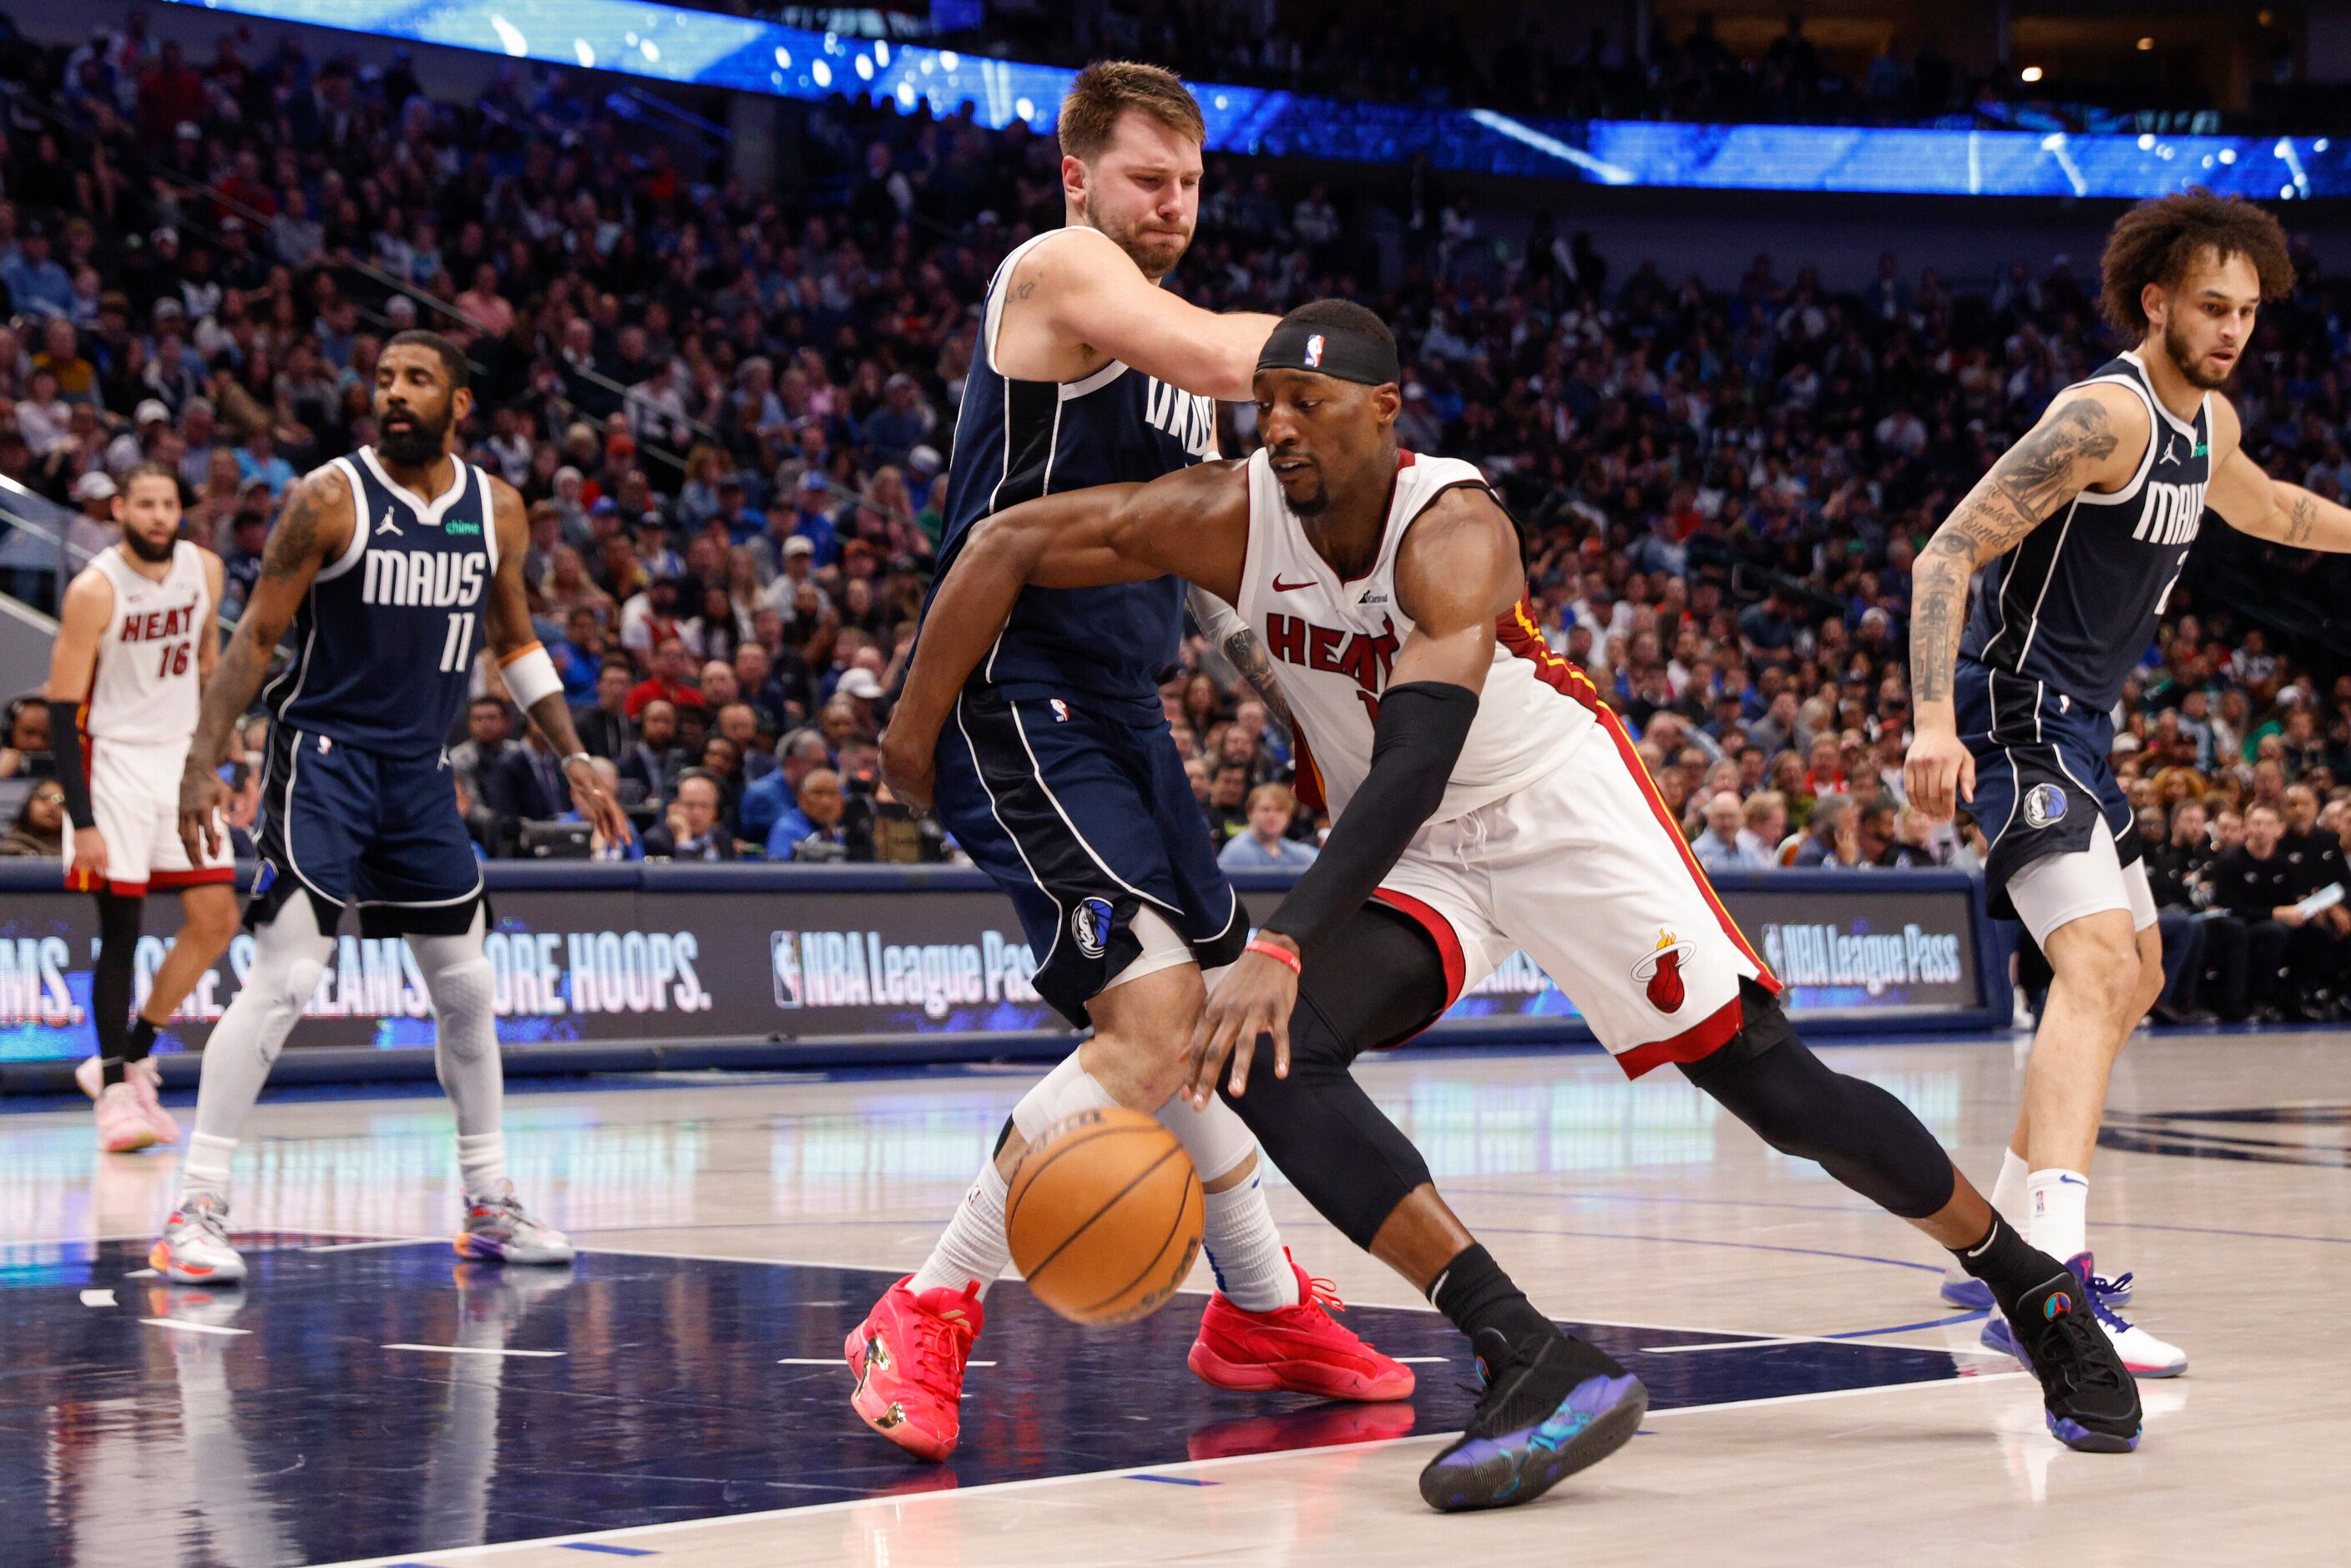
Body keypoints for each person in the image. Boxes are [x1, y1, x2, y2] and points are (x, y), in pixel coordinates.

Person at [886, 299, 2141, 1509]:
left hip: (1554, 806)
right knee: (1269, 1054)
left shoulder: (1457, 526)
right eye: (1265, 404)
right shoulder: (1228, 515)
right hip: (1419, 848)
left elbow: (1422, 751)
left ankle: (2029, 1284)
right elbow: (1004, 540)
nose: (1278, 428)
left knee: (1771, 1086)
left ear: (1384, 411)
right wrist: (911, 727)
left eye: (1308, 404)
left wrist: (1280, 936)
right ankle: (1526, 1348)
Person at [843, 63, 1403, 1469]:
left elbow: (1210, 578)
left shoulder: (1177, 384)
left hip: (1117, 707)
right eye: (1151, 179)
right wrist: (1348, 359)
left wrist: (1302, 703)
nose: (1174, 205)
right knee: (1152, 1024)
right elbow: (1228, 350)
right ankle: (927, 1299)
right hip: (1014, 692)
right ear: (1077, 176)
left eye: (1194, 184)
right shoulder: (1062, 270)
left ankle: (1261, 1309)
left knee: (1213, 1018)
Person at [1905, 191, 2350, 1375]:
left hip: (2086, 733)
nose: (2234, 328)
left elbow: (2272, 510)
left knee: (2140, 970)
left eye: (2250, 310)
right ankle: (2051, 1287)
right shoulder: (2103, 414)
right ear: (2156, 300)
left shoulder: (2210, 427)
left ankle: (2000, 1249)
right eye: (2213, 306)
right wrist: (1930, 721)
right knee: (2096, 965)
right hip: (2020, 719)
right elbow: (1947, 547)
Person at [154, 331, 632, 1286]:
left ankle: (488, 1202)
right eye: (383, 380)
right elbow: (254, 639)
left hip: (418, 772)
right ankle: (195, 1209)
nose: (394, 394)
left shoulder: (495, 508)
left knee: (467, 988)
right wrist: (202, 761)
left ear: (460, 402)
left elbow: (515, 643)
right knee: (287, 979)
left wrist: (572, 753)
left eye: (417, 380)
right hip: (324, 760)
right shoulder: (329, 498)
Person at [47, 463, 240, 1152]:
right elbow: (61, 709)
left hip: (182, 762)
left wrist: (227, 758)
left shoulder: (205, 571)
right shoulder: (94, 589)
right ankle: (117, 1092)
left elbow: (212, 668)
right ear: (121, 510)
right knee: (121, 929)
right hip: (115, 762)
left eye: (169, 505)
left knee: (216, 918)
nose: (159, 517)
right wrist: (85, 819)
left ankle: (134, 1052)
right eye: (145, 505)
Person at [1216, 782, 1319, 868]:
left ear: (1289, 816)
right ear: (1250, 813)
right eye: (1265, 809)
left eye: (1280, 810)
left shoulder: (1299, 854)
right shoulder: (1236, 853)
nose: (1272, 816)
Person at [641, 769, 733, 861]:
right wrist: (683, 840)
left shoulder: (722, 838)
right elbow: (686, 875)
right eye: (690, 805)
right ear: (674, 807)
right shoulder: (658, 841)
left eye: (704, 806)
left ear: (715, 811)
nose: (697, 813)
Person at [1691, 789, 1769, 873]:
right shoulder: (1695, 853)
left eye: (1732, 816)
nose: (1727, 823)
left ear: (1741, 818)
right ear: (1709, 817)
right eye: (1721, 816)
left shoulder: (1749, 852)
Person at [0, 778, 67, 856]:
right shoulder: (10, 851)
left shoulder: (75, 853)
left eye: (61, 802)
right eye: (43, 798)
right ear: (28, 805)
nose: (52, 806)